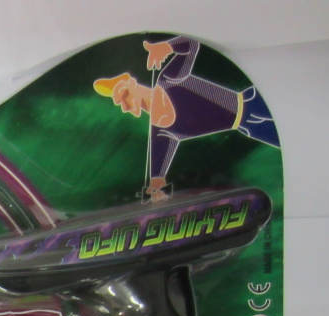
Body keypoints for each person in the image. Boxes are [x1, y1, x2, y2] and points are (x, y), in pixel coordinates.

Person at [94, 37, 279, 201]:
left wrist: (166, 47)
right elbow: (157, 175)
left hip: (254, 102)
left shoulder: (169, 80)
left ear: (133, 84)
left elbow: (191, 46)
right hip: (248, 127)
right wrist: (156, 191)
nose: (125, 104)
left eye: (125, 95)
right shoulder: (161, 132)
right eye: (121, 102)